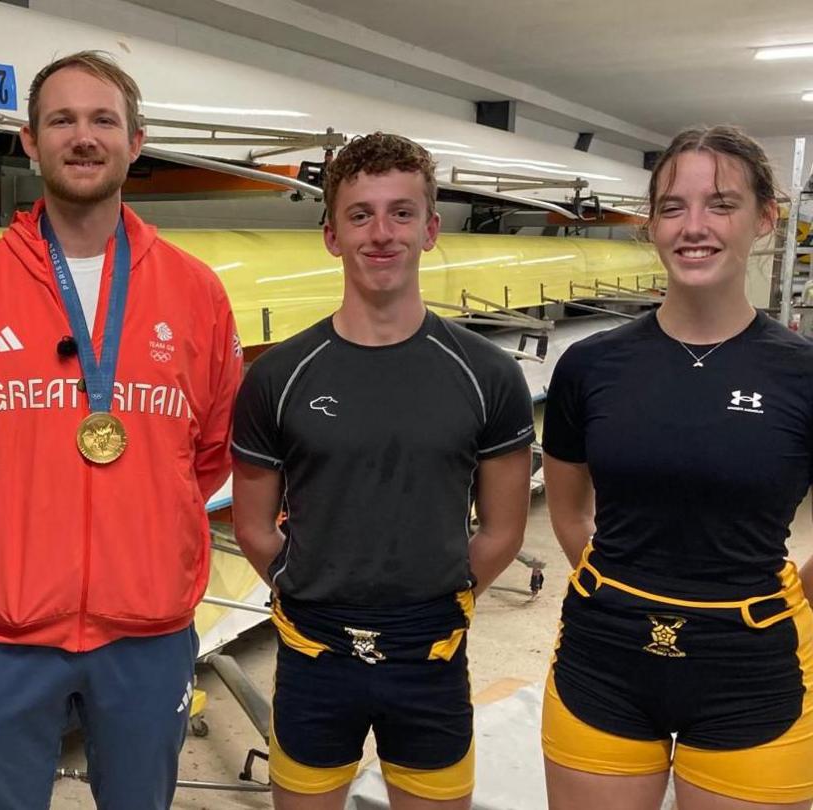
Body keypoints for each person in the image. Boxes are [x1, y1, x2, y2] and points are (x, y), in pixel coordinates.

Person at [0, 51, 241, 809]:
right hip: (5, 633)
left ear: (137, 140)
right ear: (30, 141)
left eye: (103, 120)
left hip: (147, 630)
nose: (83, 136)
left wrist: (141, 533)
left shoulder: (195, 292)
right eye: (62, 119)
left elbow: (207, 454)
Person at [231, 132, 534, 810]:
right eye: (360, 214)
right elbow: (252, 524)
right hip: (314, 655)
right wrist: (304, 585)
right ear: (331, 234)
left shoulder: (487, 374)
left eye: (401, 213)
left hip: (430, 656)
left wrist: (440, 601)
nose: (381, 233)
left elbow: (503, 529)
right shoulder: (278, 376)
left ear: (430, 230)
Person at [542, 126, 813, 809]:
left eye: (720, 203)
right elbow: (569, 511)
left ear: (765, 217)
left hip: (753, 667)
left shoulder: (803, 374)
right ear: (652, 224)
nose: (694, 227)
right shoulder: (591, 367)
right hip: (602, 659)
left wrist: (790, 601)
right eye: (672, 207)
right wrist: (616, 590)